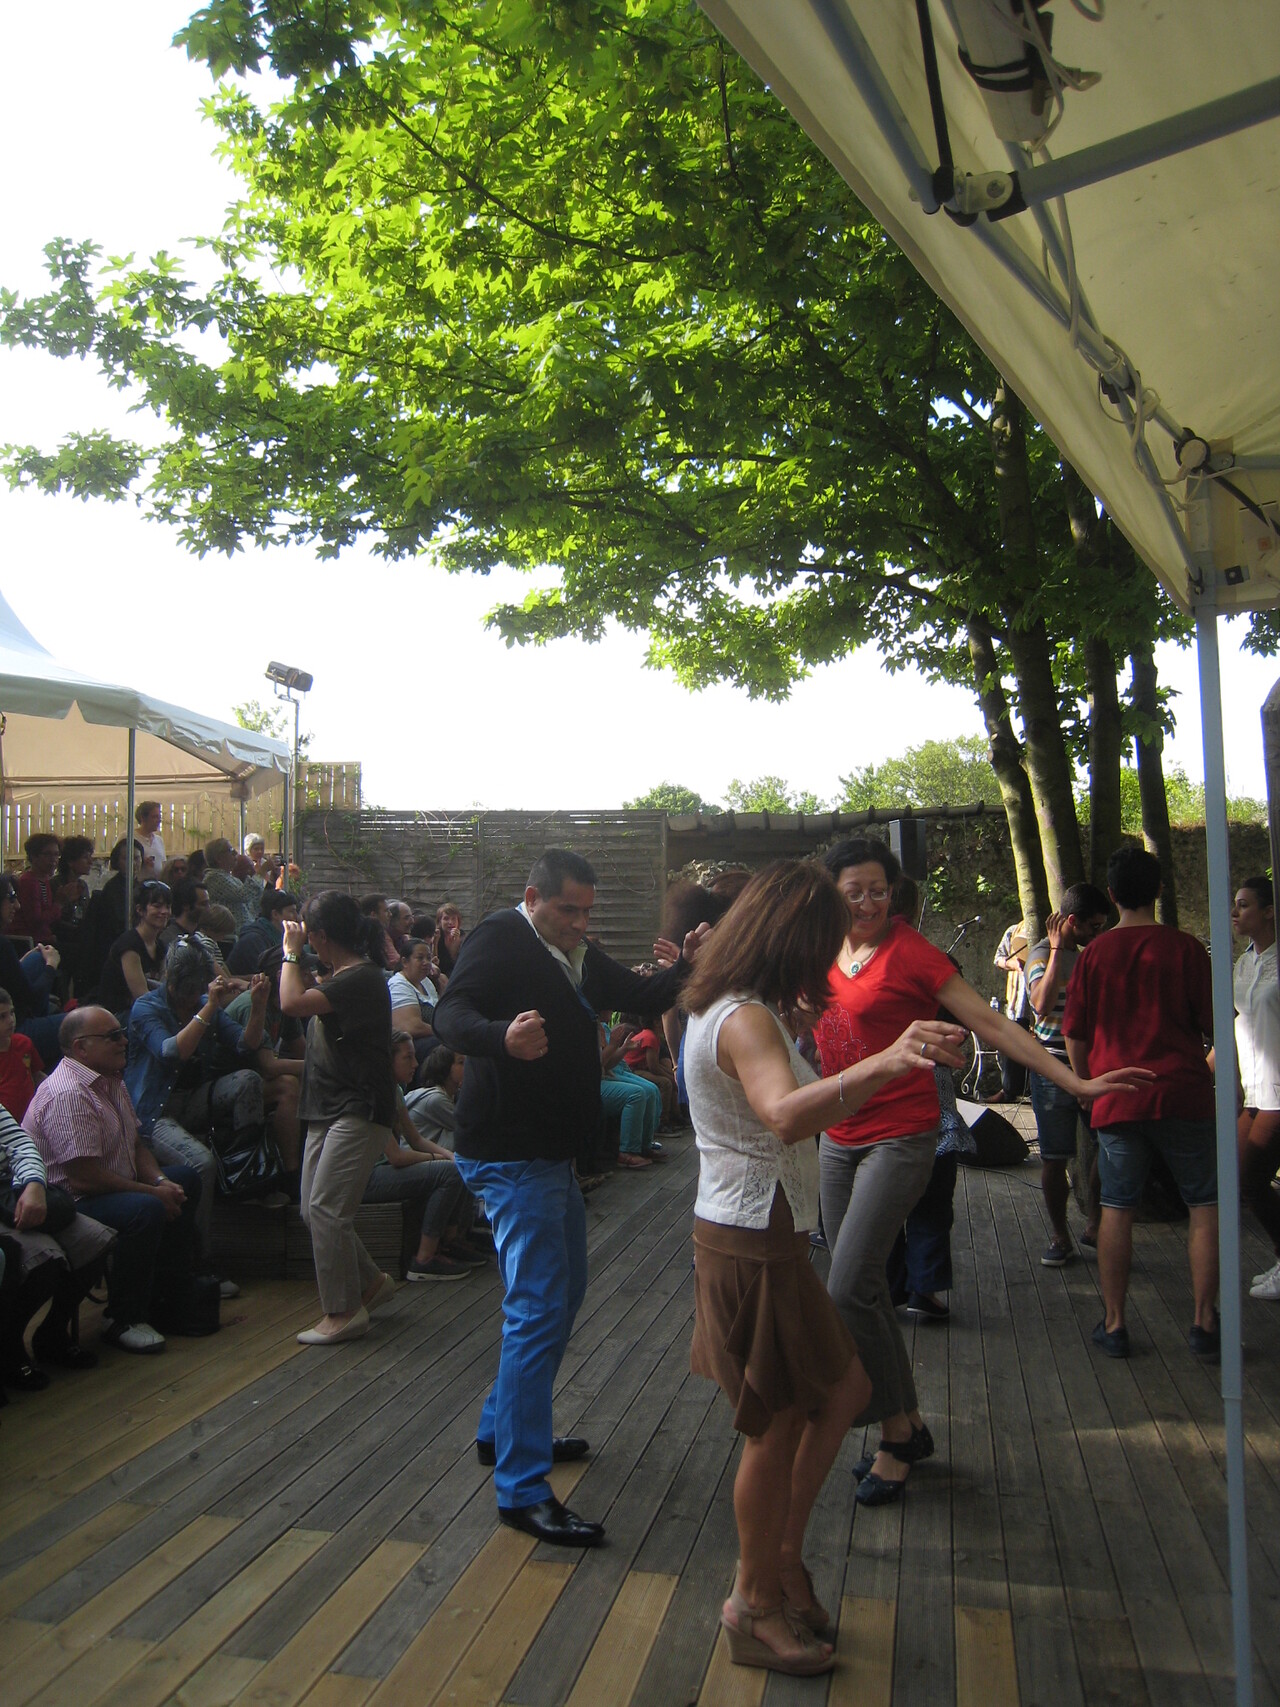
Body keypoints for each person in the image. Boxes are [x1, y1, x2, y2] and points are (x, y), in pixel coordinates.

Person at [681, 860, 966, 1677]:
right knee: (775, 1426)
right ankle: (753, 1600)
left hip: (757, 1229)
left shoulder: (731, 1005)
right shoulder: (744, 1018)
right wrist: (887, 1059)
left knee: (842, 1390)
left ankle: (780, 1561)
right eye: (824, 941)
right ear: (794, 939)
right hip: (753, 1235)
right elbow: (783, 1115)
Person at [814, 837, 1149, 1504]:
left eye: (879, 889)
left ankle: (892, 1434)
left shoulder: (913, 953)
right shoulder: (818, 949)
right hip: (837, 1133)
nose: (869, 902)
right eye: (855, 891)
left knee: (848, 1289)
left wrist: (1075, 1083)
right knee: (865, 1288)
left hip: (900, 1135)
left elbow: (995, 1027)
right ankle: (907, 1425)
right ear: (831, 894)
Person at [432, 847, 702, 1548]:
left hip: (548, 1158)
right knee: (538, 1310)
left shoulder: (576, 952)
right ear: (533, 898)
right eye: (567, 910)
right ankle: (522, 1489)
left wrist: (688, 966)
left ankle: (501, 1430)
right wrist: (501, 1038)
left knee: (561, 1296)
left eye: (586, 911)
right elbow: (449, 1015)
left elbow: (642, 993)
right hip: (510, 1154)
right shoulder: (500, 936)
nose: (580, 922)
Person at [1064, 845, 1220, 1360]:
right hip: (1184, 1095)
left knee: (1116, 1207)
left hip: (1118, 1097)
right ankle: (1203, 1322)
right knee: (1203, 1205)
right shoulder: (1187, 949)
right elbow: (1215, 1027)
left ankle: (1114, 1323)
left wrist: (1088, 1086)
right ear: (1159, 889)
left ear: (1111, 895)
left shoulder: (1094, 955)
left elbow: (1075, 1034)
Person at [23, 1007, 204, 1353]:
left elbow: (136, 1145)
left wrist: (160, 1181)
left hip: (109, 1184)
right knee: (145, 1209)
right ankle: (123, 1317)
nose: (124, 1041)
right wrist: (151, 1192)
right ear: (81, 1048)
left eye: (121, 1033)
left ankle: (167, 1295)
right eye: (113, 1036)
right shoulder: (68, 1092)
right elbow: (84, 1178)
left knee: (185, 1180)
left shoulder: (110, 1078)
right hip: (71, 1199)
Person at [281, 891, 399, 1346]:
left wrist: (291, 954)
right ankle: (369, 1283)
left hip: (359, 1105)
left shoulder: (362, 978)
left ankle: (343, 1312)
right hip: (326, 1105)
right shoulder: (341, 977)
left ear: (320, 935)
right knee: (314, 1210)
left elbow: (291, 1003)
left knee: (327, 1208)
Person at [126, 941, 269, 1263]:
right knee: (202, 1163)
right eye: (189, 995)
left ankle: (247, 1175)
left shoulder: (205, 1004)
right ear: (172, 984)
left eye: (197, 994)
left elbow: (246, 1044)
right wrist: (207, 1009)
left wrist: (258, 1006)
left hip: (193, 1099)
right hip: (154, 1113)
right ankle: (199, 1256)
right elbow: (171, 1051)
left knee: (249, 1080)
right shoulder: (146, 1008)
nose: (194, 1000)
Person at [1024, 884, 1111, 1266]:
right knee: (1054, 1157)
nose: (1098, 933)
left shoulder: (1093, 954)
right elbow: (1040, 1005)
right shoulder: (1042, 953)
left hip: (1093, 1067)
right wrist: (1059, 950)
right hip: (1053, 1069)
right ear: (1072, 922)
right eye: (1093, 926)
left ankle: (1094, 1223)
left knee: (1109, 1146)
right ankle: (1060, 1236)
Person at [0, 1104, 111, 1390]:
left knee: (93, 1240)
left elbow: (19, 1143)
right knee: (44, 1259)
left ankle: (52, 1332)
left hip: (12, 1187)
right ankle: (9, 1343)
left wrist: (34, 1184)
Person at [362, 1031, 483, 1280]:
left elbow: (416, 1139)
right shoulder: (376, 1093)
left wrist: (448, 1155)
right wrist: (438, 1159)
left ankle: (450, 1241)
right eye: (408, 1057)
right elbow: (395, 1157)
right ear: (388, 1060)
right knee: (449, 1172)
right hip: (367, 1178)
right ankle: (423, 1259)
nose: (416, 1064)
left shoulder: (395, 1090)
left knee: (458, 1162)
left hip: (385, 1170)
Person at [1228, 875, 1280, 1302]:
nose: (1235, 912)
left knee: (1251, 1179)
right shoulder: (1244, 963)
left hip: (1279, 1093)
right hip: (1254, 1091)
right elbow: (1236, 1024)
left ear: (1269, 911)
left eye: (1244, 905)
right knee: (1238, 1176)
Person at [97, 880, 171, 1014]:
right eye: (157, 906)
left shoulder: (160, 946)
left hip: (143, 1010)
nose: (164, 911)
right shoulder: (129, 945)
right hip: (117, 1014)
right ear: (140, 910)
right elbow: (142, 997)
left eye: (167, 906)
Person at [14, 834, 79, 946]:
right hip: (29, 943)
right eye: (48, 854)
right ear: (34, 857)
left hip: (43, 939)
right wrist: (59, 904)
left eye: (56, 855)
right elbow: (36, 922)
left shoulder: (44, 880)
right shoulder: (29, 882)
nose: (53, 860)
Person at [386, 937, 440, 1056]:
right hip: (415, 1044)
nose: (426, 962)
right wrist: (444, 1032)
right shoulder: (398, 985)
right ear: (405, 962)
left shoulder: (426, 982)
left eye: (428, 958)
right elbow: (411, 1026)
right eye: (420, 958)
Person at [0, 987, 47, 1122]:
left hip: (32, 1119)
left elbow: (37, 1075)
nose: (11, 1020)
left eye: (12, 1013)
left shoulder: (24, 1043)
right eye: (2, 1017)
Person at [227, 888, 299, 974]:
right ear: (275, 914)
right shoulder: (253, 940)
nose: (296, 916)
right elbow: (270, 974)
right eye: (291, 911)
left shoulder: (278, 936)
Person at [405, 1045, 464, 1150]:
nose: (467, 1067)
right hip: (416, 1155)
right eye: (461, 1062)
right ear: (445, 1067)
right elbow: (469, 1127)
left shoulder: (452, 1095)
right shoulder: (436, 1099)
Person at [202, 838, 253, 932]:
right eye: (231, 850)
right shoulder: (213, 877)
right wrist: (260, 874)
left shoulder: (230, 877)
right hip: (231, 933)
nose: (235, 853)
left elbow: (253, 900)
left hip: (245, 930)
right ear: (218, 858)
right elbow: (244, 895)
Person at [136, 802, 166, 881]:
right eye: (155, 817)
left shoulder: (159, 840)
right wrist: (141, 862)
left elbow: (163, 864)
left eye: (159, 817)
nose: (159, 820)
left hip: (156, 885)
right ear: (143, 818)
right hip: (136, 885)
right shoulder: (129, 837)